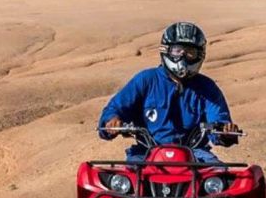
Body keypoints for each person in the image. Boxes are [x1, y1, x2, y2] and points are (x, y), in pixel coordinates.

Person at [97, 21, 240, 163]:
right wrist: (112, 122)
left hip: (196, 155)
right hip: (146, 152)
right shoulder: (146, 80)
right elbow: (115, 108)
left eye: (190, 53)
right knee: (122, 182)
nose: (183, 57)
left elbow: (219, 119)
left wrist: (225, 132)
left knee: (222, 180)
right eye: (177, 51)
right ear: (166, 50)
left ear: (200, 55)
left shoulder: (207, 88)